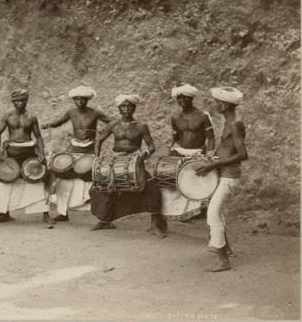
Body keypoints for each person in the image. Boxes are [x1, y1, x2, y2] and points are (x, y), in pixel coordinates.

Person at [90, 94, 166, 237]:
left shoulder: (141, 126)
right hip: (116, 160)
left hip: (134, 161)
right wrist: (96, 158)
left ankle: (155, 225)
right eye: (123, 106)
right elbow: (99, 140)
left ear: (134, 107)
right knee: (101, 187)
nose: (126, 109)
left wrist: (144, 154)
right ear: (119, 108)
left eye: (129, 105)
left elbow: (151, 146)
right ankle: (104, 220)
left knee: (153, 189)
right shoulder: (113, 124)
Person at [195, 87, 247, 272]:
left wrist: (212, 165)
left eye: (218, 102)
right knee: (217, 212)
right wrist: (213, 158)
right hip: (224, 173)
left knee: (212, 213)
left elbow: (242, 154)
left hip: (229, 175)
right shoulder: (229, 122)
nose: (216, 105)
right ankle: (226, 249)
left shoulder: (234, 124)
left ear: (225, 105)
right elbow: (229, 149)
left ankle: (223, 260)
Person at [41, 85, 110, 221]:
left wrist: (104, 133)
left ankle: (103, 216)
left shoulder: (95, 113)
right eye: (77, 99)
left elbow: (113, 123)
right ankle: (63, 213)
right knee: (62, 176)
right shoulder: (71, 112)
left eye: (82, 99)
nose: (80, 101)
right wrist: (49, 124)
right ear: (74, 100)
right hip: (74, 148)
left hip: (90, 149)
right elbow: (58, 122)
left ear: (87, 100)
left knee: (94, 178)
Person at [0, 89, 54, 225]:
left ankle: (45, 214)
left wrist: (41, 153)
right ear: (12, 102)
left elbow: (38, 136)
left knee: (39, 178)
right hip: (12, 153)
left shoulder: (32, 117)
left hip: (29, 152)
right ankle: (2, 213)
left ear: (26, 101)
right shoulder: (7, 116)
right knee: (4, 180)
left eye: (22, 100)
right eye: (16, 101)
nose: (19, 103)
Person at [159, 84, 216, 225]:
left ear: (191, 98)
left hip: (197, 152)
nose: (182, 100)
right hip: (180, 151)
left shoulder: (202, 116)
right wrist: (169, 154)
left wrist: (208, 154)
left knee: (195, 183)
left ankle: (197, 212)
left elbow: (211, 137)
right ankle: (179, 212)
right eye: (179, 97)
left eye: (185, 97)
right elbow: (174, 138)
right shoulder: (174, 117)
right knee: (175, 181)